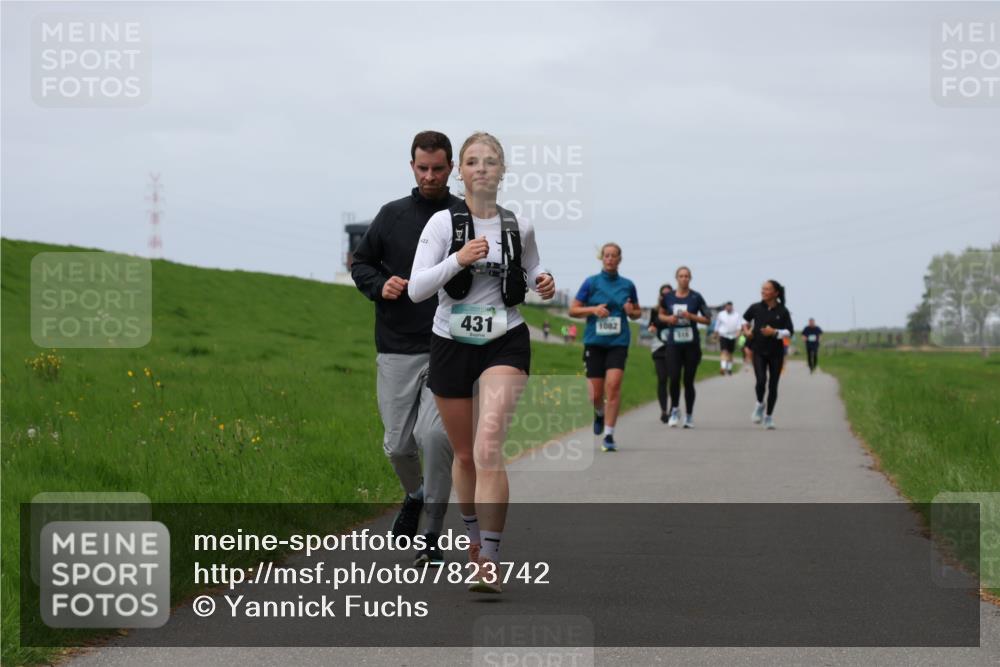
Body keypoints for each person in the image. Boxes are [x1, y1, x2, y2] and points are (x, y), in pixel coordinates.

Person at [408, 131, 555, 594]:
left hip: (504, 340)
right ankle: (472, 539)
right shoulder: (440, 225)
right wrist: (459, 258)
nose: (481, 169)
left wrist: (544, 281)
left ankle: (488, 559)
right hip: (450, 340)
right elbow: (417, 288)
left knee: (489, 446)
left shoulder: (519, 225)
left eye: (490, 162)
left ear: (502, 171)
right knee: (466, 454)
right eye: (472, 162)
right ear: (460, 171)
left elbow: (531, 268)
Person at [351, 130, 459, 567]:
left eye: (438, 168)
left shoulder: (465, 216)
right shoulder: (392, 215)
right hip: (396, 344)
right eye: (422, 168)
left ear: (451, 166)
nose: (430, 175)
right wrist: (382, 285)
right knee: (398, 445)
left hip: (449, 345)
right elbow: (361, 263)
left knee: (433, 437)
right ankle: (414, 494)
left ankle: (431, 536)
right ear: (412, 166)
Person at [569, 243, 642, 452]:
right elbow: (572, 310)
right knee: (594, 394)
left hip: (618, 342)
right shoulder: (591, 283)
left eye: (614, 256)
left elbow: (637, 313)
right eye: (606, 255)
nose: (610, 259)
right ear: (602, 258)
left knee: (614, 385)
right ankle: (599, 412)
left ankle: (609, 435)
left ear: (620, 259)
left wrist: (631, 311)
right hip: (595, 342)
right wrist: (593, 309)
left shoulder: (628, 285)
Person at [659, 266, 711, 428]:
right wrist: (669, 319)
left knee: (688, 381)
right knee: (674, 378)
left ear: (690, 278)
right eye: (681, 276)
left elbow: (708, 319)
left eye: (687, 276)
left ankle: (689, 415)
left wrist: (691, 316)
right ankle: (674, 409)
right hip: (673, 344)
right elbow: (660, 315)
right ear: (676, 278)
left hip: (691, 345)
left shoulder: (696, 297)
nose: (684, 279)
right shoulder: (667, 297)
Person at [742, 280, 794, 429]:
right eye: (762, 289)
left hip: (776, 353)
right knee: (761, 381)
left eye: (767, 289)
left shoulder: (783, 311)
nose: (763, 291)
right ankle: (759, 404)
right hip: (758, 350)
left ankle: (769, 417)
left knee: (773, 385)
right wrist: (746, 332)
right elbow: (744, 321)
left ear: (775, 293)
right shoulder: (755, 307)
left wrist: (775, 332)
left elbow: (789, 332)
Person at [647, 284, 673, 422]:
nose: (666, 297)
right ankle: (664, 411)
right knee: (662, 379)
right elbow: (651, 324)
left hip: (674, 348)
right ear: (660, 296)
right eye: (664, 294)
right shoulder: (655, 310)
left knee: (673, 379)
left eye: (669, 294)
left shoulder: (676, 310)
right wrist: (651, 327)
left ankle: (673, 409)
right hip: (658, 348)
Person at [714, 301, 742, 376]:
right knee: (724, 351)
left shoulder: (736, 315)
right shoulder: (721, 314)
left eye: (730, 306)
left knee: (730, 353)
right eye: (727, 306)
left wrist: (738, 333)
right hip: (723, 335)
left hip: (733, 336)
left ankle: (729, 369)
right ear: (725, 307)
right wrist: (716, 333)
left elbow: (739, 325)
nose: (728, 308)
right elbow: (717, 324)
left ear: (732, 307)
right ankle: (723, 368)